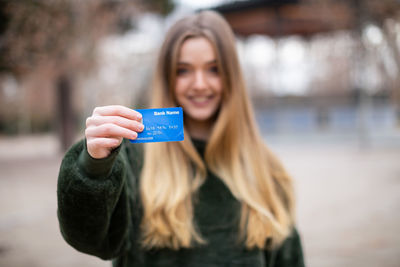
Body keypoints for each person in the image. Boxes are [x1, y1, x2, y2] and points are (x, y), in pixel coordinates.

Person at [57, 10, 305, 267]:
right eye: (183, 70)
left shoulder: (267, 170)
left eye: (214, 69)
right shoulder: (131, 160)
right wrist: (93, 165)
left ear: (232, 76)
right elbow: (89, 239)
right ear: (167, 78)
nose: (199, 84)